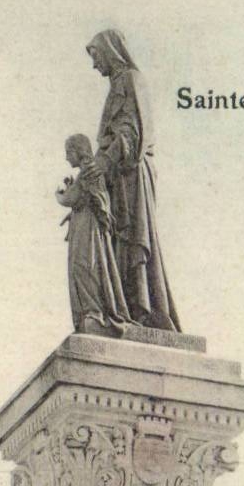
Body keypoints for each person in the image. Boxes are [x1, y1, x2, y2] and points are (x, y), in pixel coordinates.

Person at [86, 30, 180, 331]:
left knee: (134, 237)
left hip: (132, 174)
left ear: (111, 52)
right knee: (119, 241)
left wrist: (104, 161)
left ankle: (144, 309)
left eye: (97, 57)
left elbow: (132, 131)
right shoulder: (116, 84)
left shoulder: (130, 79)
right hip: (118, 176)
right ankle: (128, 308)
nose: (94, 66)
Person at [55, 134, 132, 335]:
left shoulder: (89, 171)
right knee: (81, 266)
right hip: (83, 224)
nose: (66, 157)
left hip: (88, 227)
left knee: (84, 265)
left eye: (68, 152)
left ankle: (94, 312)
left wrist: (59, 194)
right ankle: (89, 313)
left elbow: (71, 198)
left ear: (79, 151)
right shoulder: (86, 173)